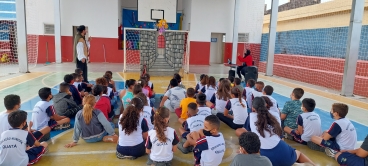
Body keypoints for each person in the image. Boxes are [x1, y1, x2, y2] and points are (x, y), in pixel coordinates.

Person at [242, 97, 315, 166]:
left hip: (264, 156)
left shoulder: (251, 117)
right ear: (265, 105)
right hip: (283, 152)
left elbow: (247, 135)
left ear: (253, 108)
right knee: (298, 153)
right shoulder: (275, 114)